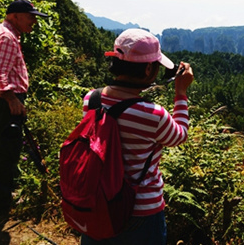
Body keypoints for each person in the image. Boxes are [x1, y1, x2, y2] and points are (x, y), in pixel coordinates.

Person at [80, 28, 194, 245]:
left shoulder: (91, 100)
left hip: (97, 202)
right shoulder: (153, 114)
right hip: (141, 211)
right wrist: (180, 92)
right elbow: (180, 135)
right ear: (148, 68)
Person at [0, 0, 48, 213]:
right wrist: (12, 99)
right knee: (8, 151)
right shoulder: (7, 37)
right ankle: (1, 203)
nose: (34, 21)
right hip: (4, 101)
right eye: (30, 16)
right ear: (15, 15)